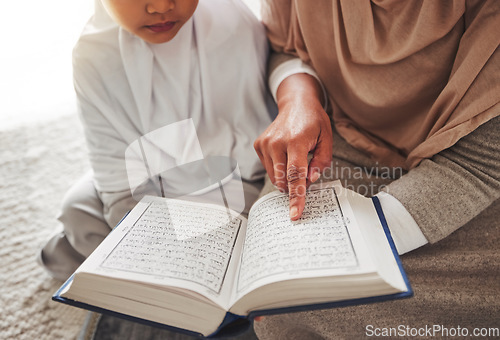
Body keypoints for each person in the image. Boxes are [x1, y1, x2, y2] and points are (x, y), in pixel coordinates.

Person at [253, 0, 499, 338]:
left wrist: (349, 245)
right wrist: (299, 99)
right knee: (279, 296)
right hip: (341, 134)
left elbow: (482, 164)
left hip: (468, 174)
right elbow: (284, 46)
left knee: (306, 301)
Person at [39, 0, 276, 281]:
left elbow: (252, 157)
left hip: (232, 181)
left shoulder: (232, 25)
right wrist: (153, 237)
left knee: (242, 232)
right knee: (77, 210)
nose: (162, 6)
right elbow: (116, 179)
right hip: (148, 178)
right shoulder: (93, 53)